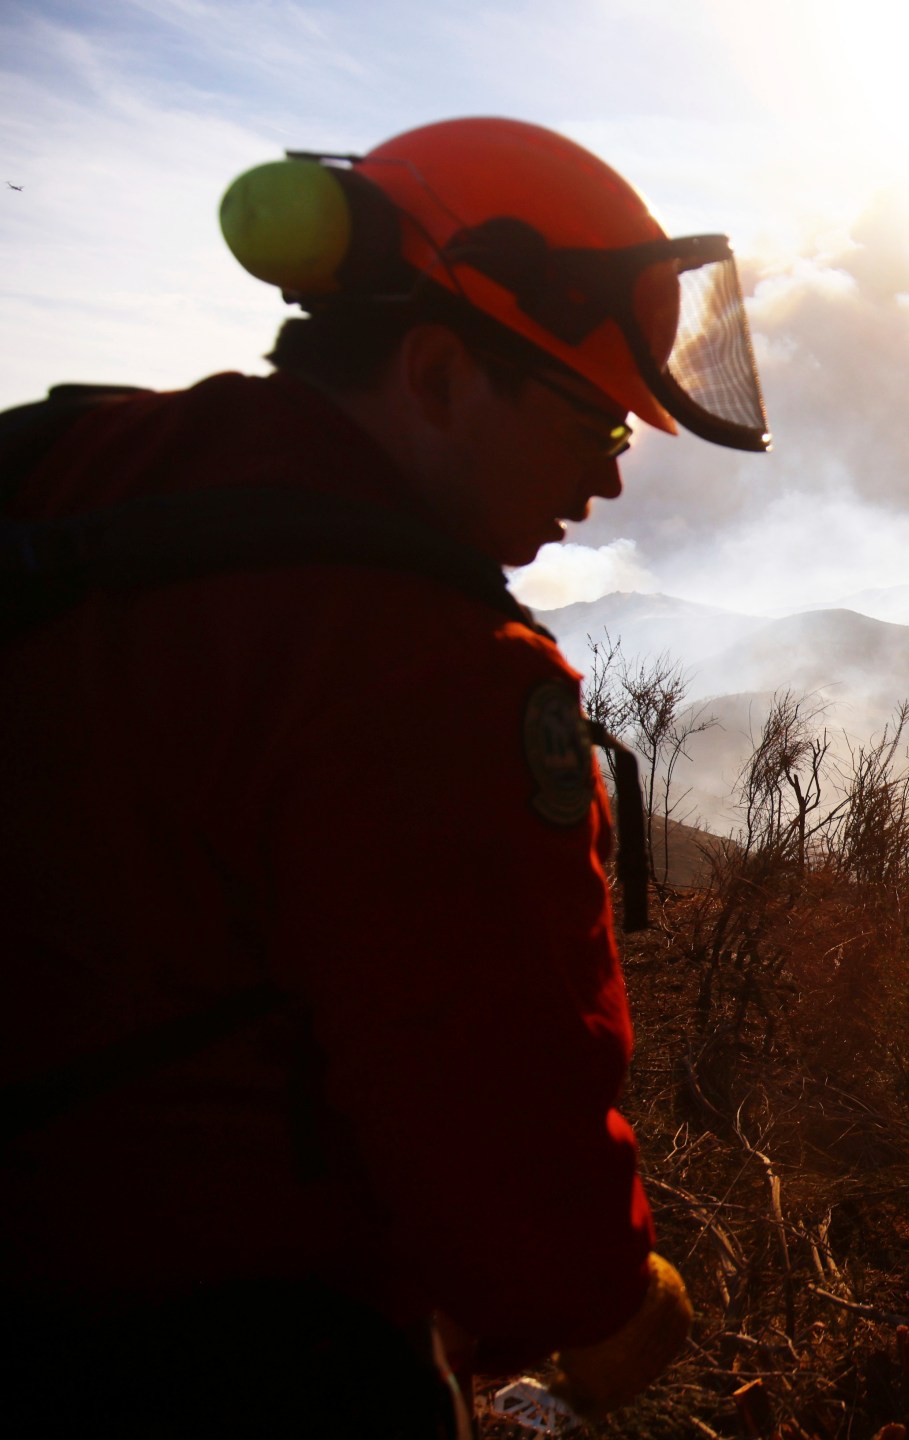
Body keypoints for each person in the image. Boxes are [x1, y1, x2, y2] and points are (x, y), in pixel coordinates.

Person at [0, 117, 767, 1434]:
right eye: (593, 424)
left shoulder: (66, 475)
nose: (605, 488)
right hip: (217, 1353)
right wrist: (605, 1300)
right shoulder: (428, 670)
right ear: (433, 371)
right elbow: (487, 1102)